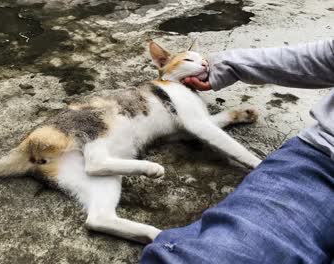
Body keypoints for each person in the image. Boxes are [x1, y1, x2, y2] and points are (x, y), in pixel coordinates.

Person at [141, 40, 334, 263]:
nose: (201, 64)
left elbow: (197, 127)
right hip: (323, 160)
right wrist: (226, 66)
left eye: (202, 60)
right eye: (192, 60)